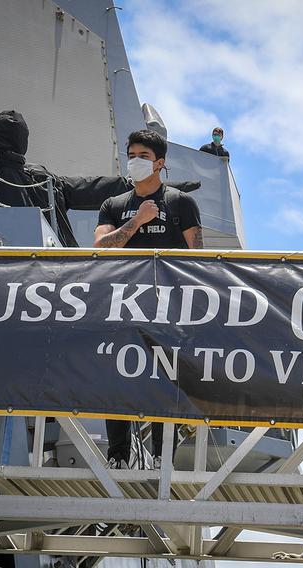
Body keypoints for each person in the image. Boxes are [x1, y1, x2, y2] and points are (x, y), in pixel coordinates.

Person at [95, 129, 204, 469]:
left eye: (143, 156)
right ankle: (118, 456)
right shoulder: (113, 205)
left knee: (163, 378)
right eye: (131, 154)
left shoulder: (181, 203)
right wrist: (138, 221)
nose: (135, 161)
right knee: (116, 376)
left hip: (167, 308)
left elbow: (197, 256)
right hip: (121, 303)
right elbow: (99, 247)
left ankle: (161, 457)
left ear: (160, 163)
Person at [0, 110, 130, 246]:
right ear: (23, 141)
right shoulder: (39, 177)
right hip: (59, 260)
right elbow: (88, 187)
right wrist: (130, 184)